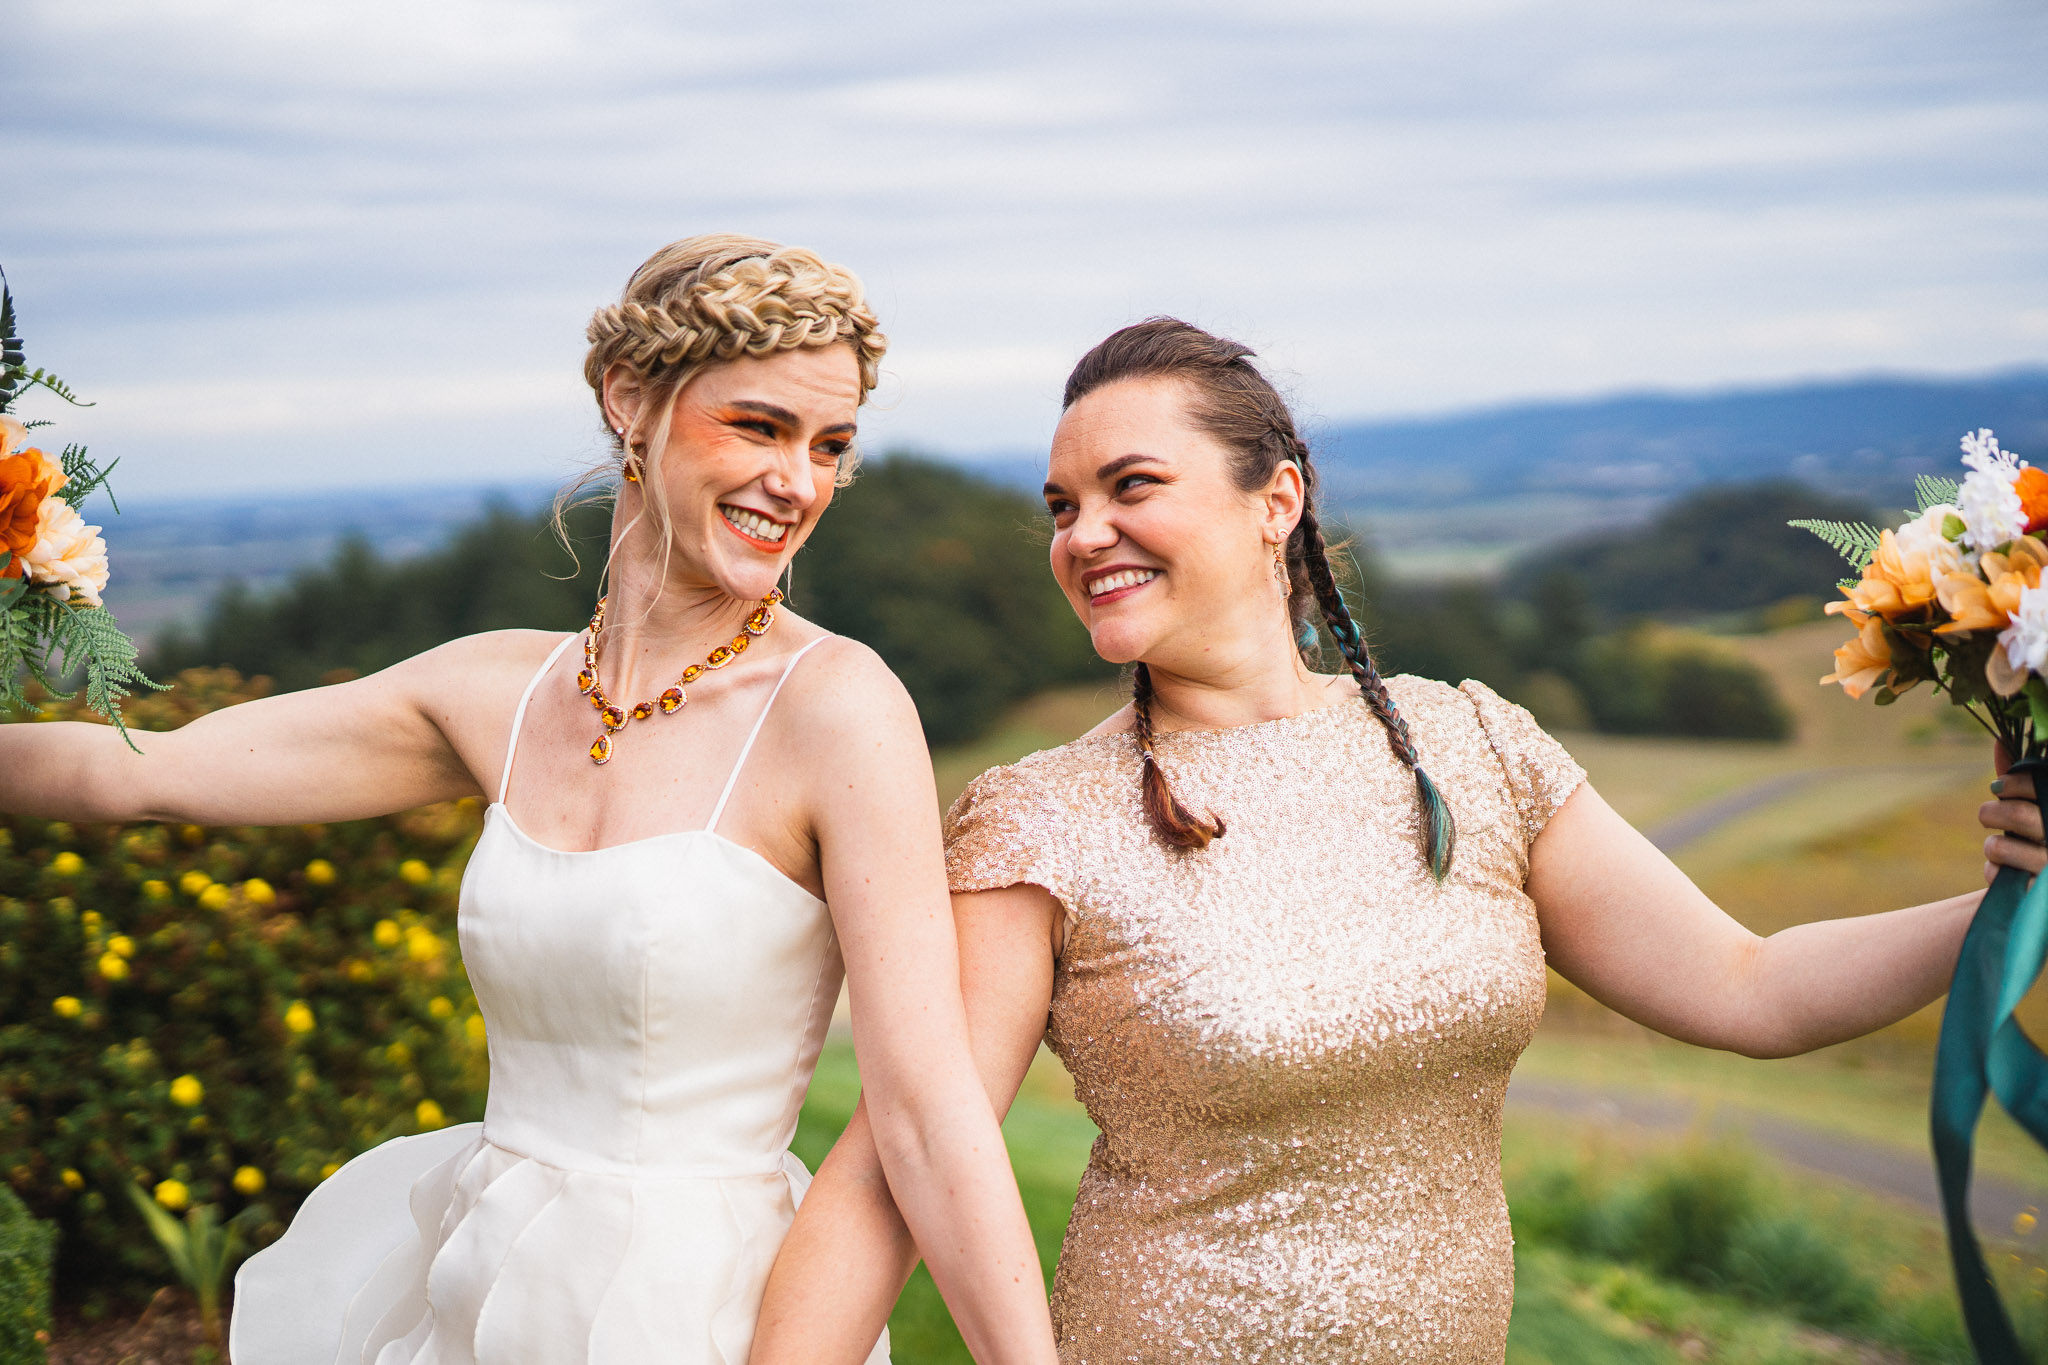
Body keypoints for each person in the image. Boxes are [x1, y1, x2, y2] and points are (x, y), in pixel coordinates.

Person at [750, 316, 2046, 1364]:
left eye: (1129, 486)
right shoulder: (1039, 819)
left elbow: (1746, 986)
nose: (1082, 534)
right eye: (1059, 505)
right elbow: (903, 1163)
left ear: (1276, 499)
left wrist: (2007, 901)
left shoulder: (1474, 745)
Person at [0, 235, 1058, 1365]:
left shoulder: (838, 708)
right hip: (482, 1283)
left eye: (830, 446)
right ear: (629, 399)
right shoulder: (493, 693)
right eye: (759, 426)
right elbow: (138, 772)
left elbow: (926, 1118)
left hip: (697, 1316)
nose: (800, 482)